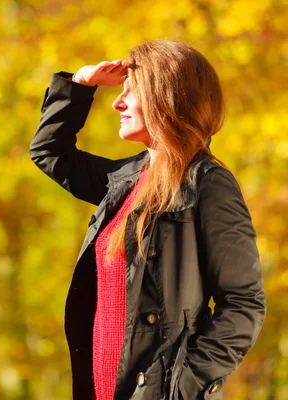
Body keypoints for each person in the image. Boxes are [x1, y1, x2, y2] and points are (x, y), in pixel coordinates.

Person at [29, 40, 266, 400]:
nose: (116, 102)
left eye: (131, 92)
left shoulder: (208, 183)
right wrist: (79, 84)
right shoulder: (123, 181)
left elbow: (244, 303)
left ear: (165, 98)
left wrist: (182, 386)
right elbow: (49, 152)